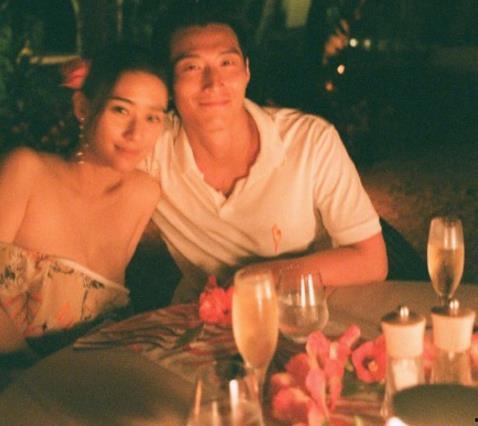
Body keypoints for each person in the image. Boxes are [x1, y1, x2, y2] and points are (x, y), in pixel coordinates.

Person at [144, 0, 387, 303]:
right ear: (167, 81)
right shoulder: (150, 146)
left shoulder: (309, 140)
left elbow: (371, 260)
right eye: (191, 67)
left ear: (247, 70)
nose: (214, 83)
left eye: (227, 63)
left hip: (303, 313)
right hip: (198, 321)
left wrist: (260, 278)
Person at [0, 42, 169, 355]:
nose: (136, 134)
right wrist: (35, 374)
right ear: (83, 108)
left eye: (152, 118)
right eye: (121, 110)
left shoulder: (143, 193)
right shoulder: (27, 172)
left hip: (95, 372)